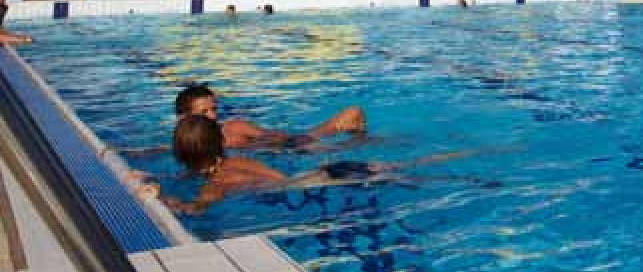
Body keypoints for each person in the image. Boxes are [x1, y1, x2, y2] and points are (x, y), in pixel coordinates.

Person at [162, 116, 465, 214]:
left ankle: (461, 181)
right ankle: (461, 159)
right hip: (328, 170)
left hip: (321, 182)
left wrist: (166, 199)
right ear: (221, 142)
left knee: (414, 179)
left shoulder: (216, 182)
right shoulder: (235, 161)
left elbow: (197, 208)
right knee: (411, 165)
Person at [175, 84, 366, 150]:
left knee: (353, 113)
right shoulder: (186, 143)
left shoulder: (233, 128)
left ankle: (360, 141)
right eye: (204, 113)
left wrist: (261, 145)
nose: (213, 116)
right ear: (183, 117)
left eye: (214, 109)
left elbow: (273, 136)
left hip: (294, 146)